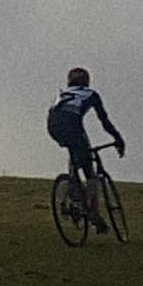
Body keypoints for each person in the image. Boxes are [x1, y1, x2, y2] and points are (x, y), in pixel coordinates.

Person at [44, 67, 124, 196]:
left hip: (52, 125)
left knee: (74, 148)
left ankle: (72, 184)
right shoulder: (91, 94)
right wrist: (118, 138)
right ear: (87, 81)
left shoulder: (62, 93)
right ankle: (92, 205)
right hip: (72, 125)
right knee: (88, 164)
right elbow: (104, 120)